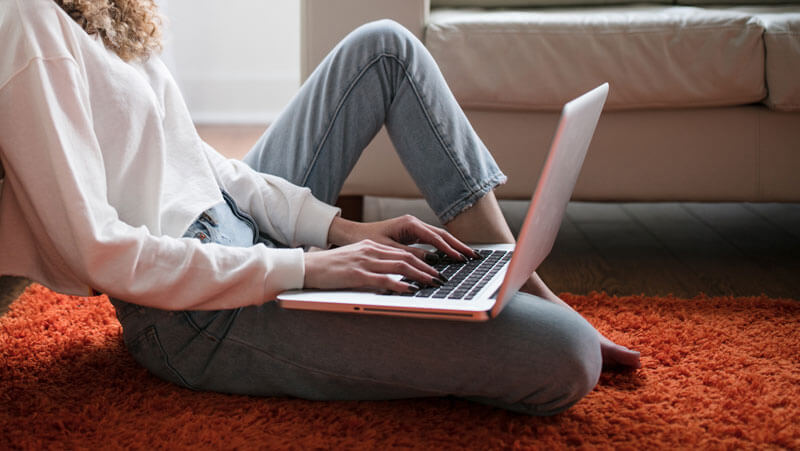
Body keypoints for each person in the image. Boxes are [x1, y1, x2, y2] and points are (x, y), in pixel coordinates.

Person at [0, 0, 640, 416]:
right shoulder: (28, 24)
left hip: (241, 230)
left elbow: (201, 163)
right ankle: (524, 305)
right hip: (192, 314)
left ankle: (513, 276)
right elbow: (97, 250)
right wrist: (305, 268)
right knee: (567, 355)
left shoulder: (108, 9)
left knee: (385, 47)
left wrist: (336, 229)